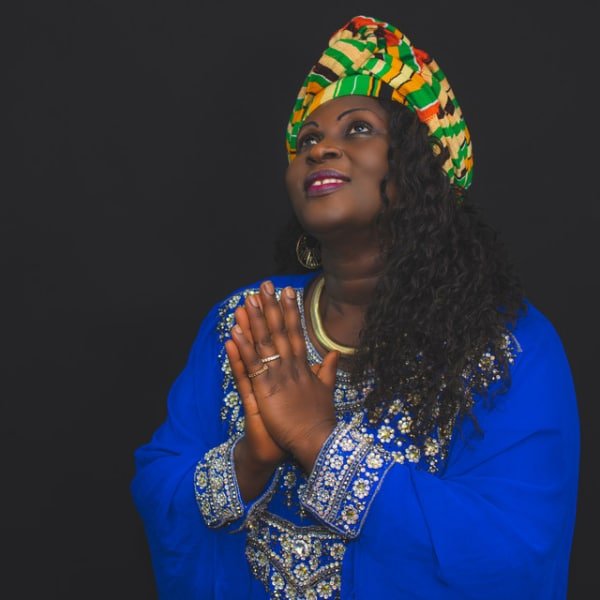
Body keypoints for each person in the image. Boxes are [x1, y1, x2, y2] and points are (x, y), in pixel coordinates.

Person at [131, 15, 579, 599]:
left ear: (422, 166)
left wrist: (321, 443)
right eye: (307, 141)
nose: (320, 149)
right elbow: (159, 482)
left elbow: (512, 551)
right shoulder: (245, 319)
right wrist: (250, 460)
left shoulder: (504, 345)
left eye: (358, 128)